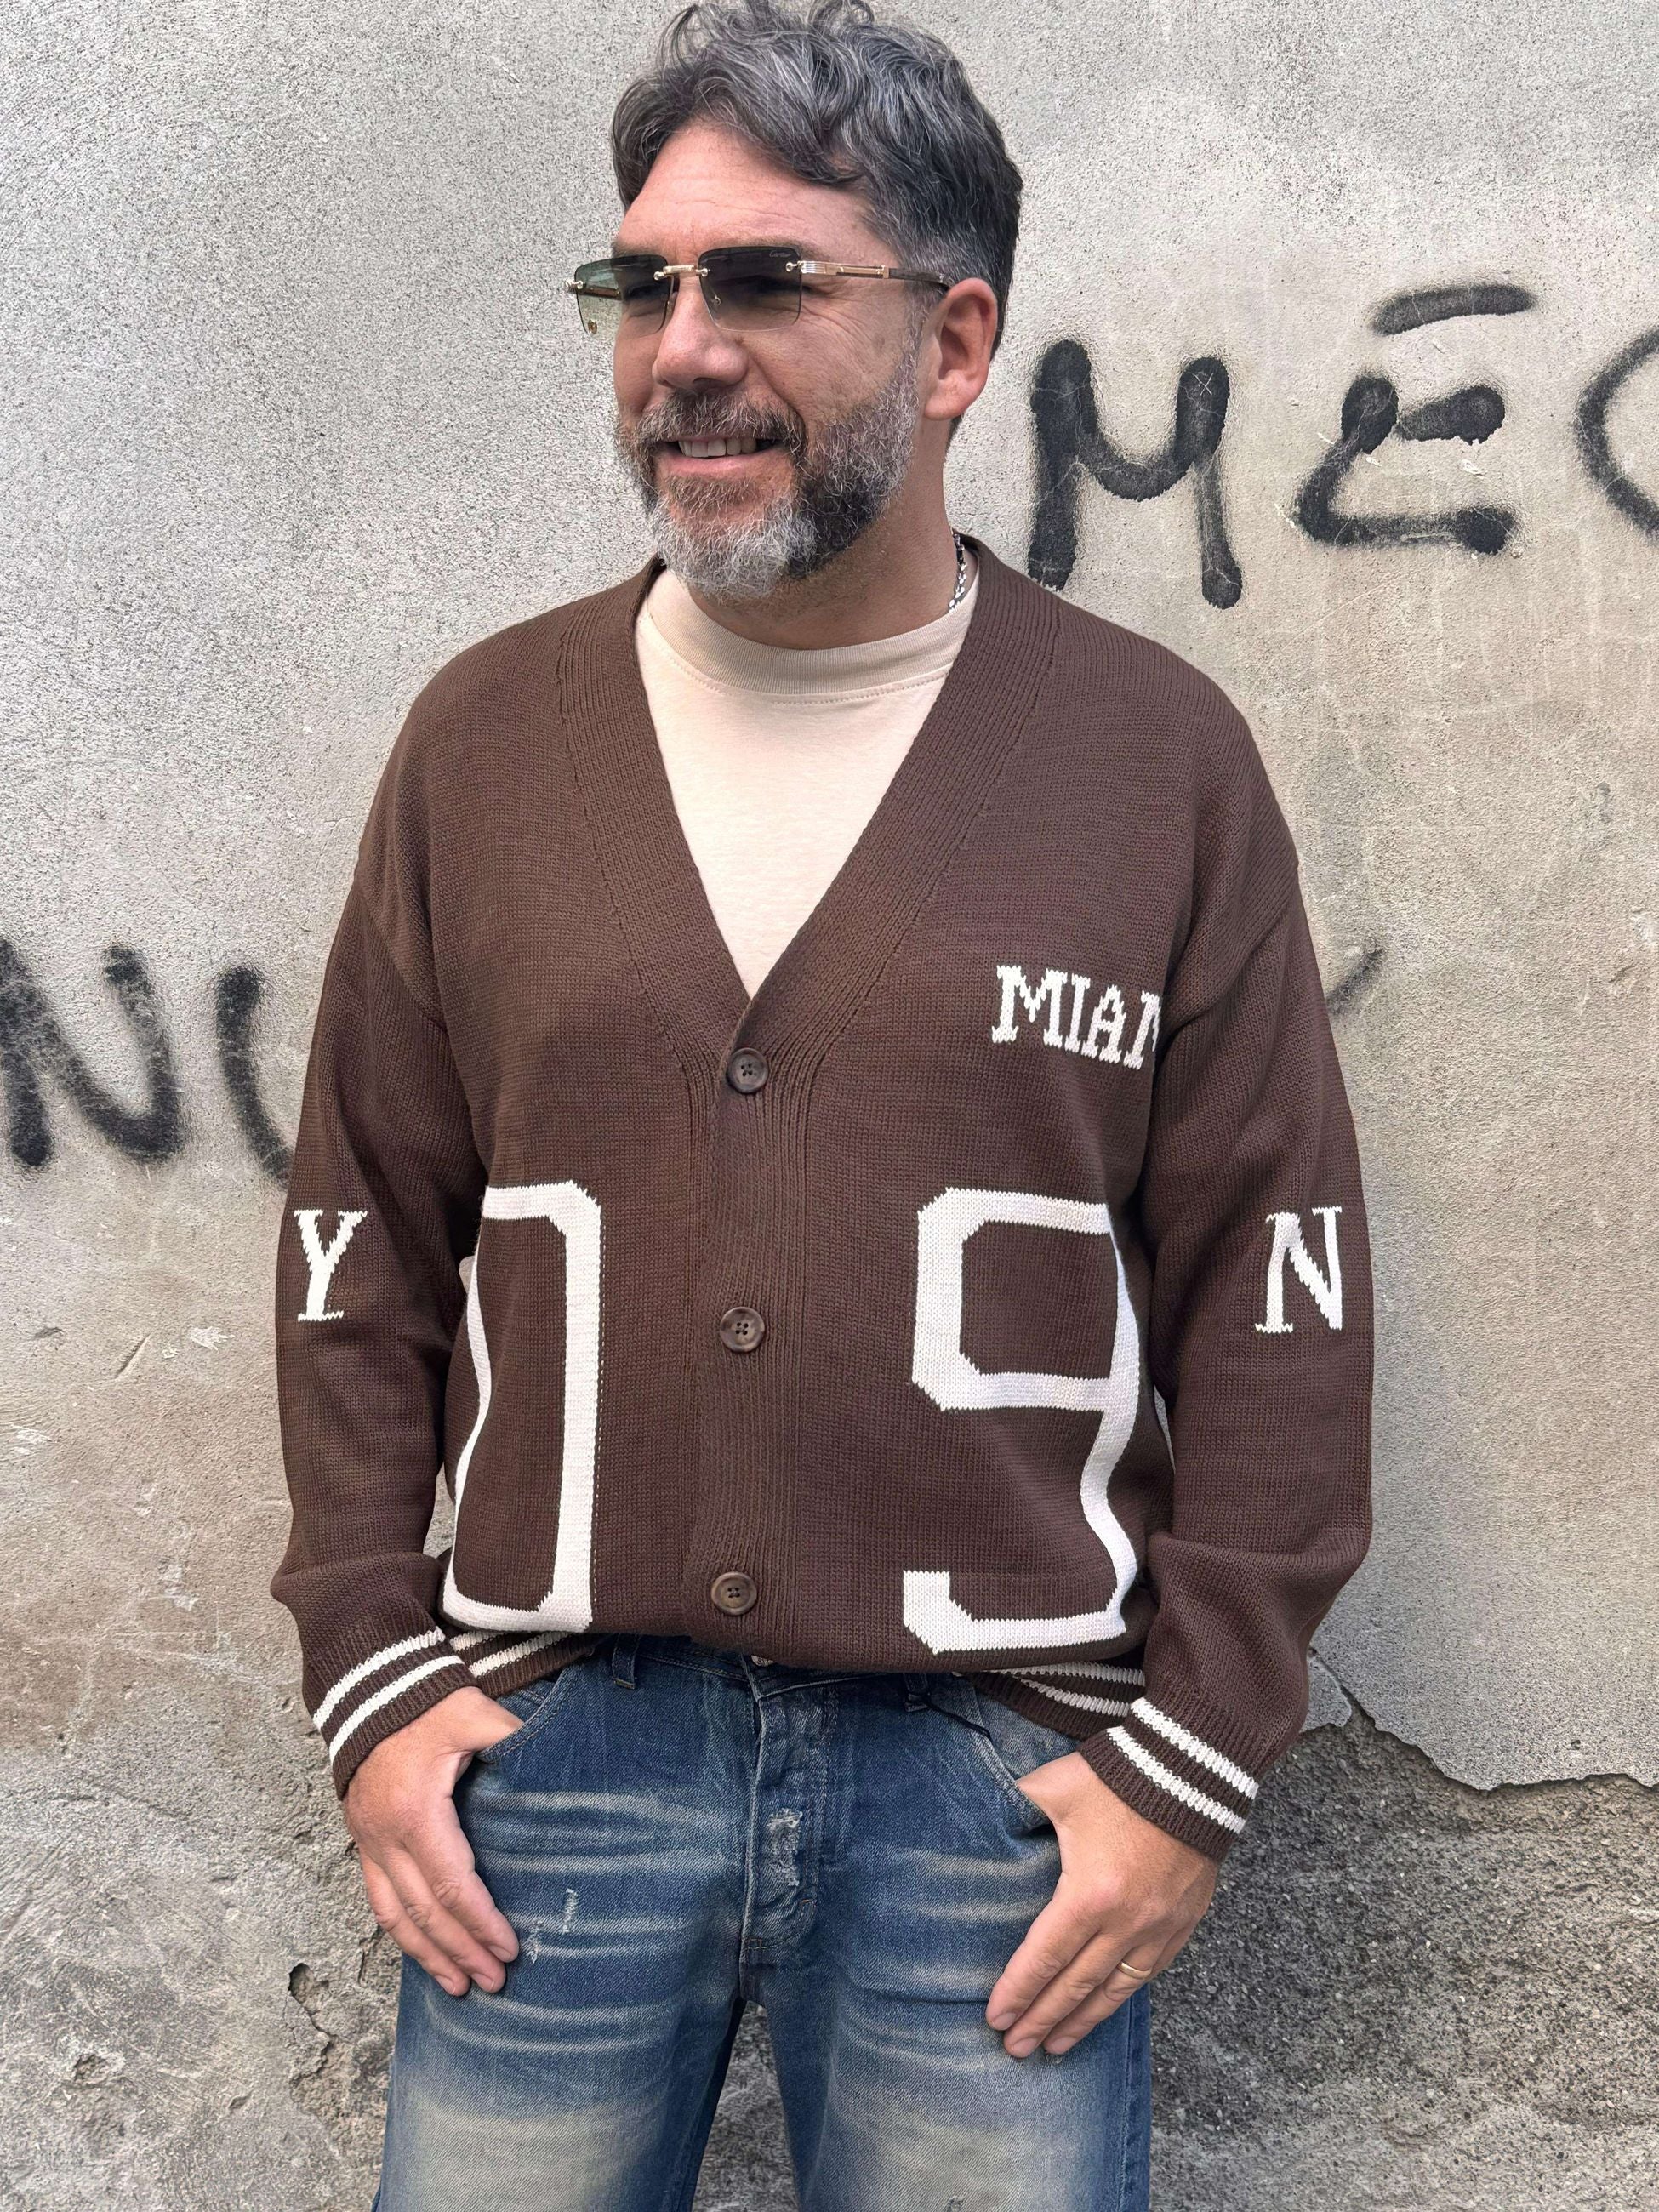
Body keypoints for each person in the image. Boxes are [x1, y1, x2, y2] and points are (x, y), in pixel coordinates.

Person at [269, 3, 1375, 2205]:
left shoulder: (1151, 766)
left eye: (766, 283)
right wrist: (371, 1678)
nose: (681, 350)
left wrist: (1188, 1769)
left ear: (955, 344)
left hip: (1002, 1793)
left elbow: (1282, 1283)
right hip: (546, 1779)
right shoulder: (485, 748)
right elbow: (356, 1238)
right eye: (642, 284)